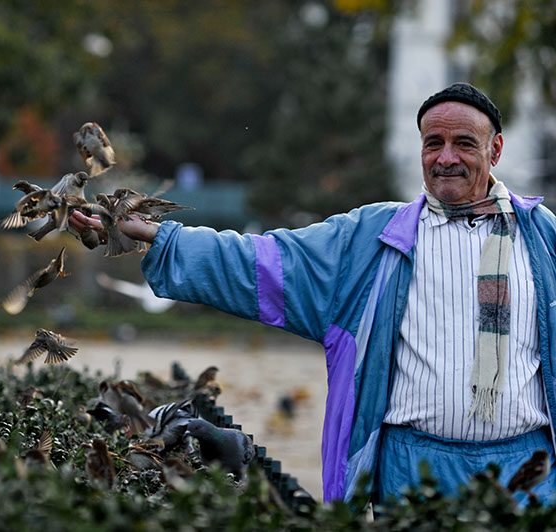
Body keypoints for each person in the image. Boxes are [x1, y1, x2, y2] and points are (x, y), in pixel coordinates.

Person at [70, 83, 556, 505]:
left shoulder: (543, 239)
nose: (446, 157)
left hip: (527, 470)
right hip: (412, 470)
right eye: (434, 143)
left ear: (495, 151)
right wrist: (160, 236)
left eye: (463, 143)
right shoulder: (372, 238)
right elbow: (258, 261)